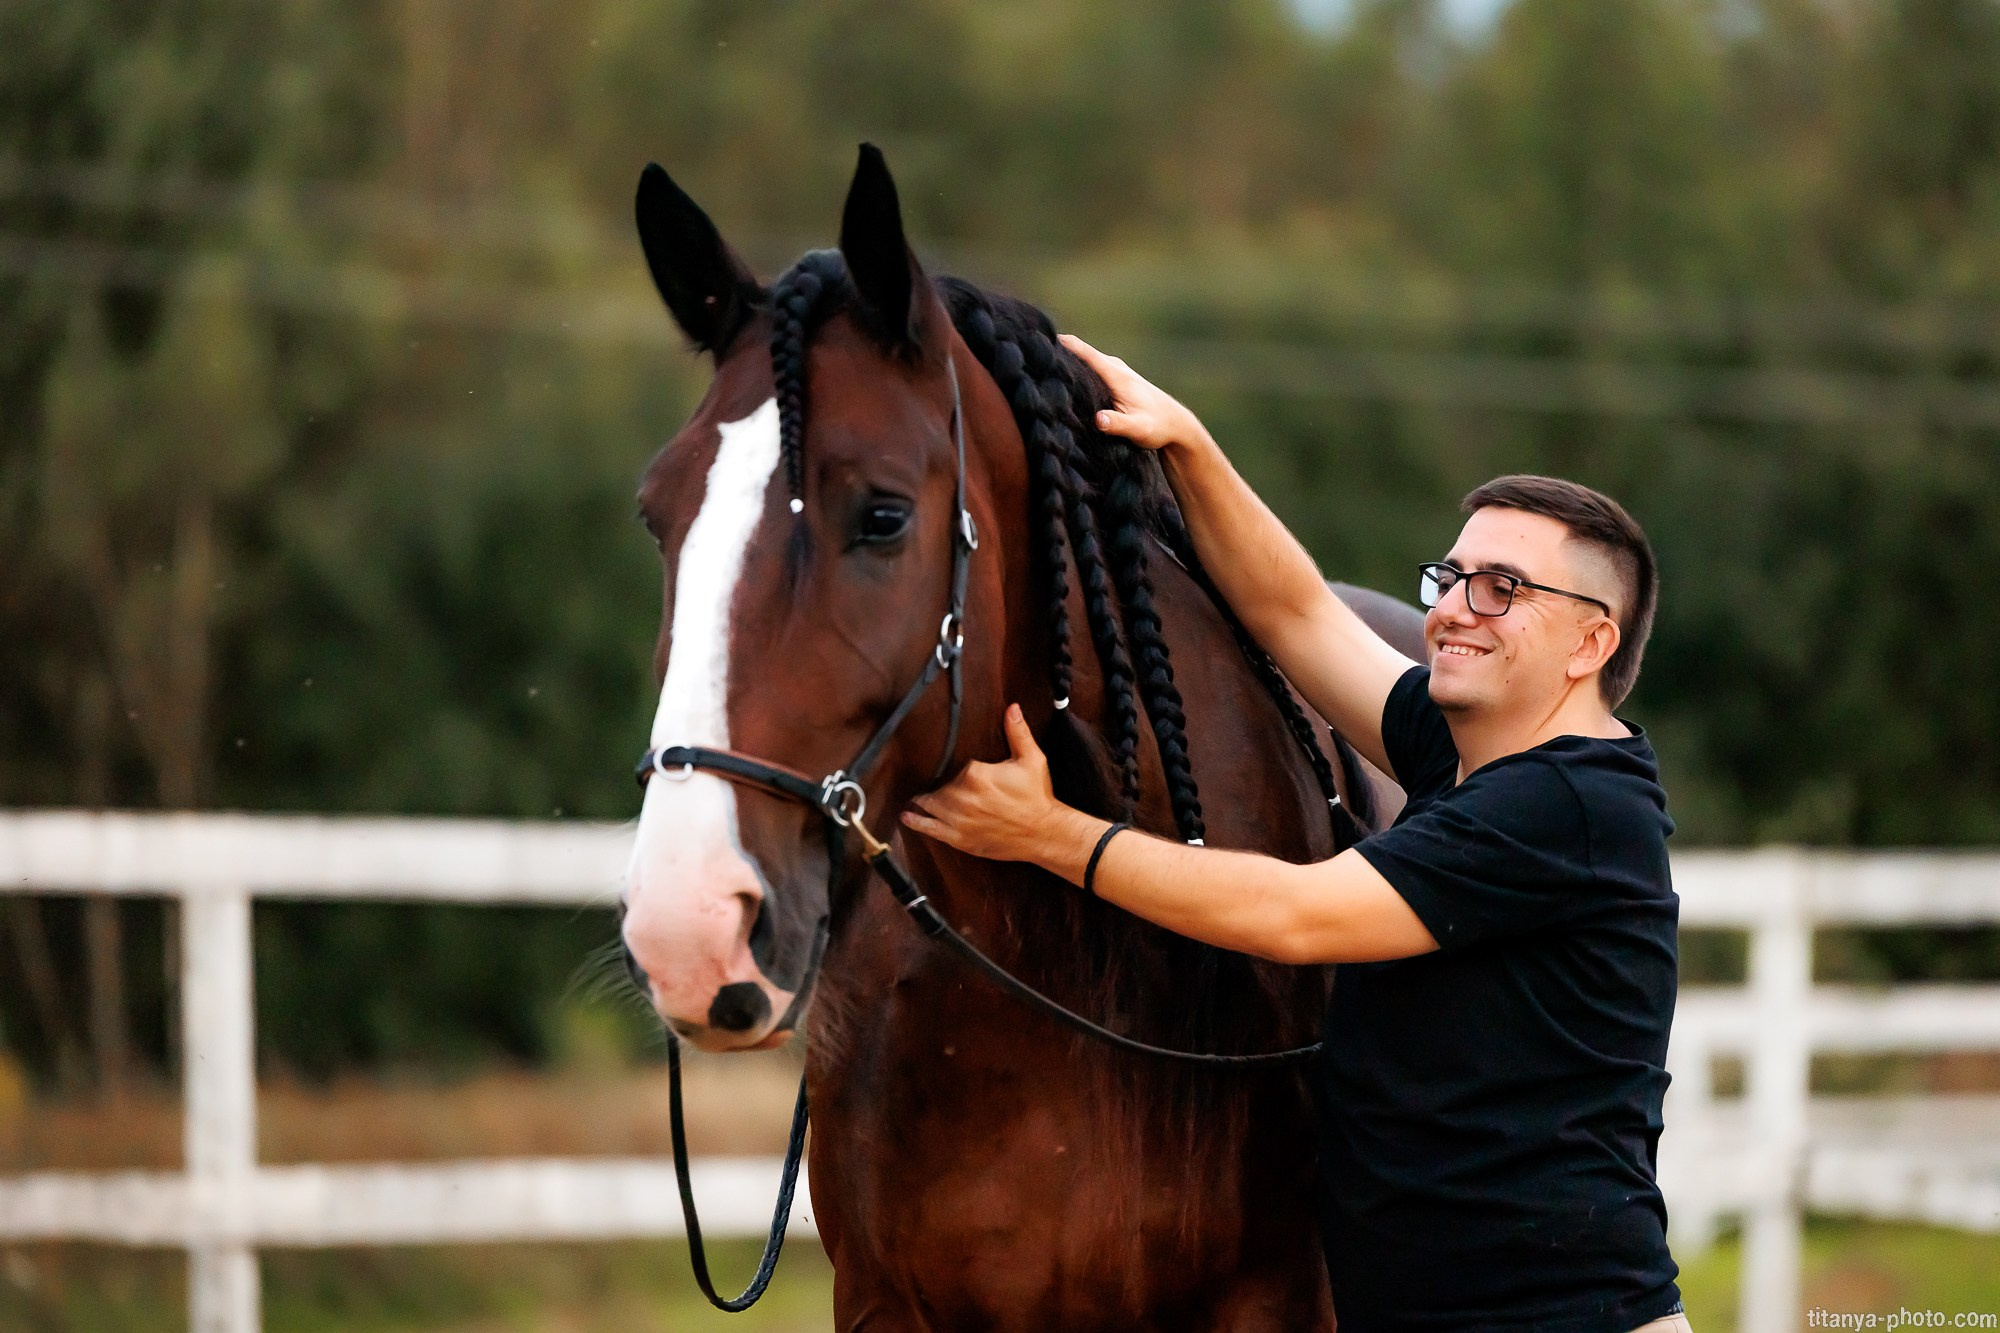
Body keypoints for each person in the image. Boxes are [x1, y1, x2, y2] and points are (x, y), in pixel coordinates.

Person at [900, 335, 1688, 1333]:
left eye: (1500, 587)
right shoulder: (1469, 757)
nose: (1452, 606)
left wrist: (1053, 835)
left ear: (1590, 641)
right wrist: (1186, 446)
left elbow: (1292, 913)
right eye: (1449, 576)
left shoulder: (1567, 805)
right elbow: (1294, 611)